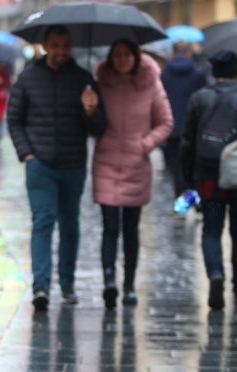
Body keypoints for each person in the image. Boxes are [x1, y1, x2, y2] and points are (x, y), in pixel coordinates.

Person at [7, 25, 107, 311]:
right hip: (40, 165)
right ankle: (41, 287)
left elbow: (100, 126)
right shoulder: (28, 77)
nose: (62, 51)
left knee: (70, 225)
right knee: (43, 222)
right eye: (56, 45)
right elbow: (13, 119)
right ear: (46, 45)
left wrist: (91, 110)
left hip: (74, 164)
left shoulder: (84, 79)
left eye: (66, 45)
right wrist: (26, 154)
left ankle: (67, 283)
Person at [180, 50, 237, 310]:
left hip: (207, 173)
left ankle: (215, 274)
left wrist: (188, 180)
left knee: (211, 228)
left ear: (214, 72)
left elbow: (187, 142)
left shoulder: (200, 98)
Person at [92, 40, 173, 309]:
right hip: (106, 162)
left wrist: (145, 144)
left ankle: (129, 285)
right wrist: (89, 110)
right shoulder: (100, 83)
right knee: (110, 227)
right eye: (118, 54)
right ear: (111, 57)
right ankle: (109, 282)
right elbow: (93, 124)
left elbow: (166, 122)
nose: (123, 59)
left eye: (128, 54)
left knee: (130, 230)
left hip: (136, 165)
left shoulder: (151, 83)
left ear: (136, 57)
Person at [161, 40, 207, 204]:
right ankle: (195, 197)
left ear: (172, 53)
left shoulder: (164, 74)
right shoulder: (198, 75)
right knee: (194, 165)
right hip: (194, 128)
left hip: (171, 127)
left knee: (176, 168)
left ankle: (181, 201)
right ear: (188, 53)